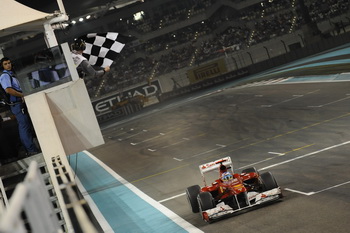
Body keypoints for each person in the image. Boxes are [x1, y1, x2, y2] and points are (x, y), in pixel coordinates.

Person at [0, 57, 39, 156]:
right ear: (2, 66)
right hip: (16, 104)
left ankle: (30, 148)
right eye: (5, 64)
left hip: (19, 103)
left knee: (25, 126)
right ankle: (31, 150)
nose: (8, 65)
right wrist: (22, 95)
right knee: (24, 127)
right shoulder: (5, 76)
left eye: (9, 63)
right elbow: (8, 90)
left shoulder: (11, 75)